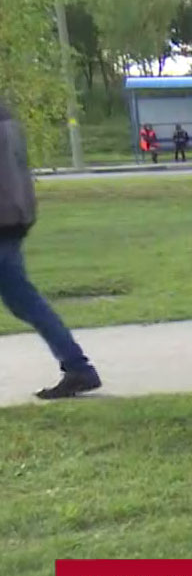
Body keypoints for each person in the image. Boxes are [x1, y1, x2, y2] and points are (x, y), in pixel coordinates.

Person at [0, 97, 101, 400]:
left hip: (4, 219)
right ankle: (77, 367)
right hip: (13, 218)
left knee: (26, 301)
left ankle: (78, 367)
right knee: (25, 302)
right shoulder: (8, 118)